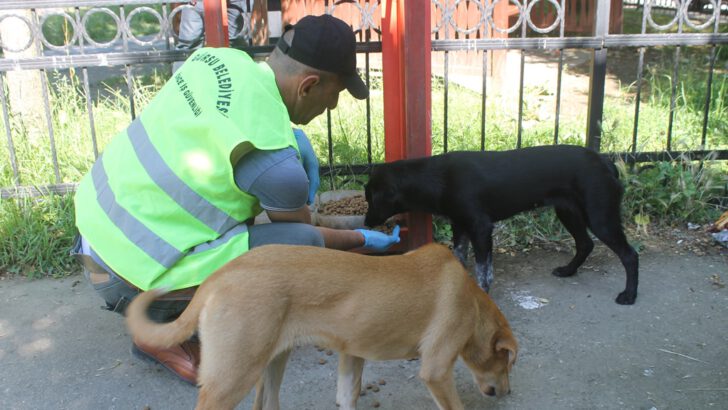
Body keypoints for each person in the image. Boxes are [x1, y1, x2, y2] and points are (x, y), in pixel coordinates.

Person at [72, 14, 400, 385]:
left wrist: (290, 139)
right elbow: (304, 239)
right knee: (298, 249)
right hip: (126, 279)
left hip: (93, 233)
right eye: (337, 93)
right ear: (309, 85)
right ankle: (159, 336)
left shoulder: (220, 60)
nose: (334, 107)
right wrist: (364, 239)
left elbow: (230, 119)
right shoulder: (277, 168)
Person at [175, 0, 251, 50]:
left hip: (234, 2)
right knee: (188, 46)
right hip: (200, 2)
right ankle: (184, 74)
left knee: (235, 45)